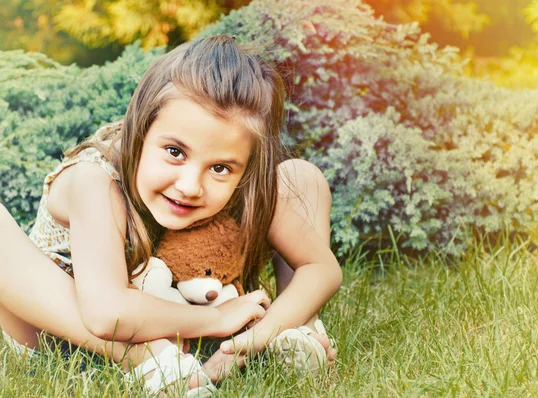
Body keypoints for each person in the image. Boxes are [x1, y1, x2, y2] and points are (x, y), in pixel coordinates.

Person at [0, 35, 342, 395]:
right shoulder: (96, 177)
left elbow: (321, 268)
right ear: (140, 130)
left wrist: (254, 337)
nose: (191, 185)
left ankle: (292, 334)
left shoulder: (246, 180)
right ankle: (151, 359)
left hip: (186, 320)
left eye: (221, 167)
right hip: (65, 338)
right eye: (175, 152)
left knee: (303, 178)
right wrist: (216, 319)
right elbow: (104, 314)